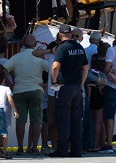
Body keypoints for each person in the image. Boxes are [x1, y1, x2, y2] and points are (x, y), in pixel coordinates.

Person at [3, 34, 49, 156]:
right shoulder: (39, 58)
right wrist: (45, 84)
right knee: (36, 120)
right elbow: (52, 69)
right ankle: (34, 147)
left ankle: (20, 147)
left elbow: (3, 69)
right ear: (35, 45)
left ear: (22, 44)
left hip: (19, 90)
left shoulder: (16, 57)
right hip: (36, 89)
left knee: (20, 121)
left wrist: (10, 83)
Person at [49, 23, 88, 158]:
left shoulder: (62, 48)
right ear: (71, 34)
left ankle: (62, 149)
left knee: (63, 119)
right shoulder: (79, 47)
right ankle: (76, 150)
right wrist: (81, 83)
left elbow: (55, 67)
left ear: (60, 35)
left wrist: (54, 81)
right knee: (76, 120)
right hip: (77, 88)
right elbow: (86, 67)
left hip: (64, 87)